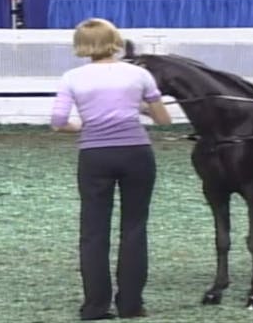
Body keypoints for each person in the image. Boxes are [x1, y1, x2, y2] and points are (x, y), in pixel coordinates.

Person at [50, 18, 171, 320]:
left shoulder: (72, 77)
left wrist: (80, 125)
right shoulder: (139, 74)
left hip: (94, 155)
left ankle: (95, 306)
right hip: (135, 153)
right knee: (134, 228)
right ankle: (131, 304)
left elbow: (58, 120)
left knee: (93, 232)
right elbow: (163, 119)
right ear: (115, 41)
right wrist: (139, 108)